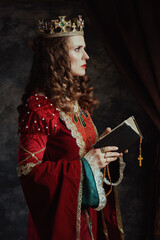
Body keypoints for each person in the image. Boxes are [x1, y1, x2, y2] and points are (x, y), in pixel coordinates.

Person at [17, 15, 126, 240]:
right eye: (78, 49)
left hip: (90, 221)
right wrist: (85, 165)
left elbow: (85, 158)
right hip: (63, 226)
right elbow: (29, 173)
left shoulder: (76, 102)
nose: (86, 56)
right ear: (56, 56)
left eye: (84, 48)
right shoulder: (39, 108)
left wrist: (104, 153)